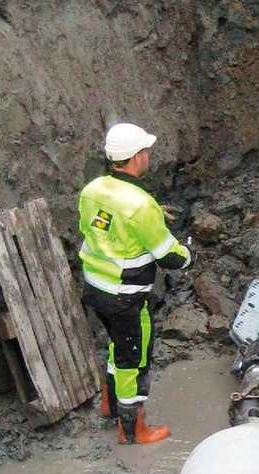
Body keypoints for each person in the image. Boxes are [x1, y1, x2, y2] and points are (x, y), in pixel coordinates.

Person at [78, 122, 193, 445]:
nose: (149, 156)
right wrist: (189, 255)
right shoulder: (140, 205)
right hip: (125, 294)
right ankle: (132, 429)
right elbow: (168, 255)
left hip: (95, 287)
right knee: (134, 357)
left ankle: (109, 404)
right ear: (136, 157)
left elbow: (99, 228)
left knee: (116, 342)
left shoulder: (93, 190)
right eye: (146, 151)